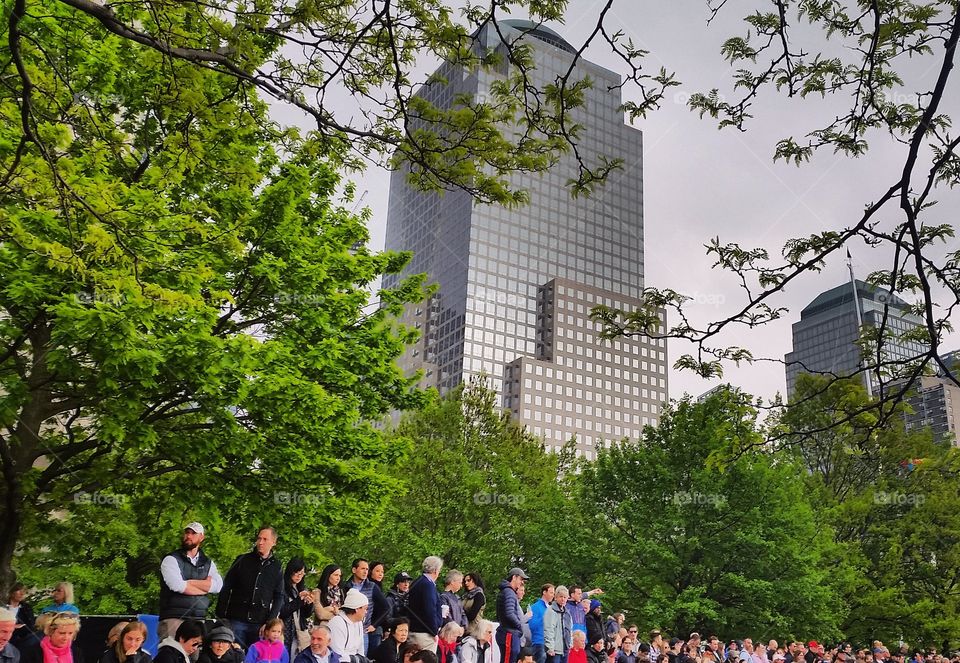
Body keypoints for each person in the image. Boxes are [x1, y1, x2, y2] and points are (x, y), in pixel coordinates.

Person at [217, 527, 285, 648]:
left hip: (260, 622)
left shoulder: (277, 566)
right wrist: (222, 615)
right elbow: (226, 586)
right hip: (236, 618)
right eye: (259, 538)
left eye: (265, 539)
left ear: (274, 542)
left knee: (256, 655)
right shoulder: (242, 560)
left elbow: (279, 596)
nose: (260, 542)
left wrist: (270, 622)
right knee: (235, 653)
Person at [160, 523, 224, 640]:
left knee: (195, 652)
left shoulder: (208, 563)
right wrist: (204, 588)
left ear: (201, 537)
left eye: (193, 533)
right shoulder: (171, 559)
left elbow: (218, 586)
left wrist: (188, 583)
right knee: (171, 650)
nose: (189, 536)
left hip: (198, 619)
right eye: (187, 532)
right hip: (173, 618)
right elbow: (177, 586)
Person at [407, 557, 443, 654]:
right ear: (435, 570)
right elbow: (430, 609)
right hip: (425, 633)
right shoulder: (428, 585)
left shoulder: (417, 581)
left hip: (415, 629)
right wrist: (434, 631)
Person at [280, 559, 314, 660]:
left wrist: (309, 603)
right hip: (284, 630)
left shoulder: (302, 588)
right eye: (297, 573)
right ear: (290, 571)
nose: (299, 576)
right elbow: (282, 611)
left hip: (298, 632)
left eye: (302, 574)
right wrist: (299, 600)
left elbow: (306, 614)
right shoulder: (282, 587)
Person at [343, 560, 376, 655]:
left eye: (367, 569)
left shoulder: (372, 586)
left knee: (361, 657)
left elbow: (385, 607)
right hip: (347, 627)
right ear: (354, 570)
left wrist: (375, 624)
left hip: (363, 629)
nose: (365, 572)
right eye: (362, 569)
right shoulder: (345, 586)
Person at [495, 568, 527, 663]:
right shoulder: (509, 592)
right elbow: (509, 613)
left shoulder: (507, 592)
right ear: (514, 577)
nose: (522, 582)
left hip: (508, 632)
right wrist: (519, 626)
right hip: (509, 633)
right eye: (521, 579)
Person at [328, 589, 368, 659]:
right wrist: (354, 660)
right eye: (365, 609)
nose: (366, 612)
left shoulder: (359, 622)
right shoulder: (337, 623)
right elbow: (336, 653)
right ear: (357, 609)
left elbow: (360, 649)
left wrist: (361, 659)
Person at [543, 586, 570, 663]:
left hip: (565, 649)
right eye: (561, 596)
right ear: (556, 597)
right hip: (555, 650)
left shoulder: (567, 612)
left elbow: (570, 629)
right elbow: (548, 630)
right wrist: (550, 647)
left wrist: (570, 644)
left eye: (565, 597)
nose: (563, 599)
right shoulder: (551, 611)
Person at [369, 563, 391, 656]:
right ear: (371, 572)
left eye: (382, 571)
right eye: (377, 571)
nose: (380, 574)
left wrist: (386, 628)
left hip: (376, 627)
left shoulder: (379, 587)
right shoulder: (370, 586)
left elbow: (384, 609)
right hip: (370, 626)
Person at [6, 584, 37, 652]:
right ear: (12, 592)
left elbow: (30, 626)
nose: (22, 593)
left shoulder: (27, 608)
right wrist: (12, 626)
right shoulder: (3, 606)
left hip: (21, 641)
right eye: (19, 590)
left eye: (24, 591)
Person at [529, 585, 554, 663]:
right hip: (539, 642)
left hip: (550, 643)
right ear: (544, 592)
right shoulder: (535, 607)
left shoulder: (551, 608)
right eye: (551, 593)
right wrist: (544, 618)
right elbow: (532, 626)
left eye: (553, 593)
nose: (553, 595)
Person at [461, 575, 485, 639]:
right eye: (465, 581)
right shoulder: (465, 595)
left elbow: (472, 616)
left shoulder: (479, 595)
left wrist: (460, 610)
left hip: (474, 630)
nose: (466, 583)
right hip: (463, 629)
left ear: (475, 581)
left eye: (468, 580)